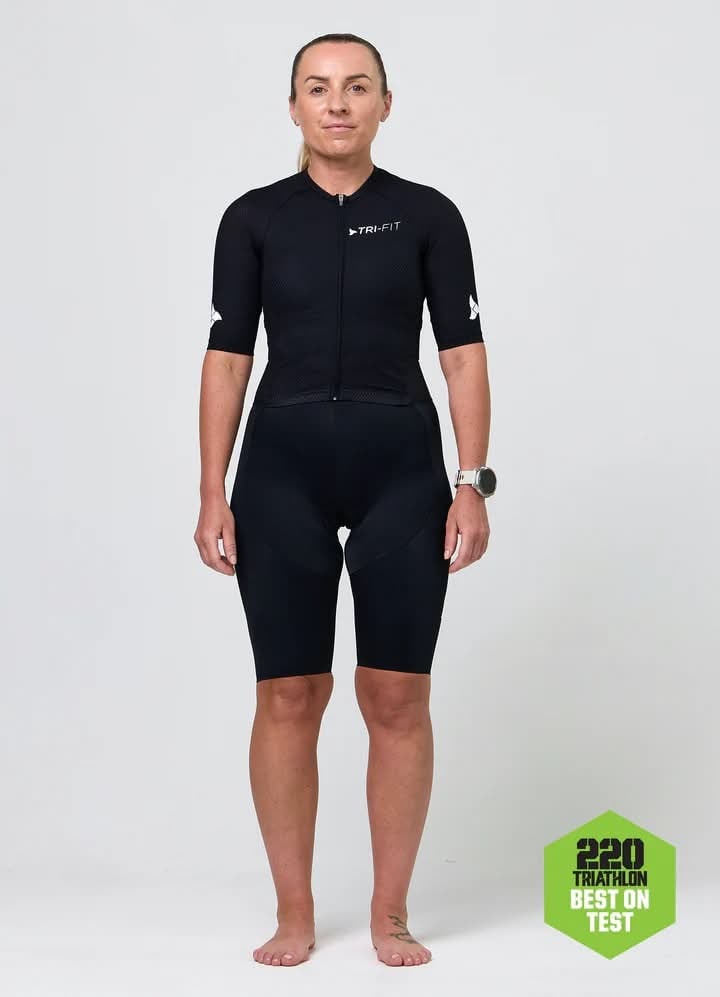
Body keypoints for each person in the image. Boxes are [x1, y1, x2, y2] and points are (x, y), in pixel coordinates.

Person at [194, 32, 495, 968]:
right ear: (293, 107)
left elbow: (462, 355)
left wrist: (471, 482)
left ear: (385, 104)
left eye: (356, 87)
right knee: (290, 693)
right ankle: (294, 910)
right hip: (279, 471)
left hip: (401, 470)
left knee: (396, 694)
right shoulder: (253, 219)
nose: (337, 104)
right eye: (318, 89)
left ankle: (390, 912)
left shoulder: (427, 215)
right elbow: (228, 358)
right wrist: (211, 488)